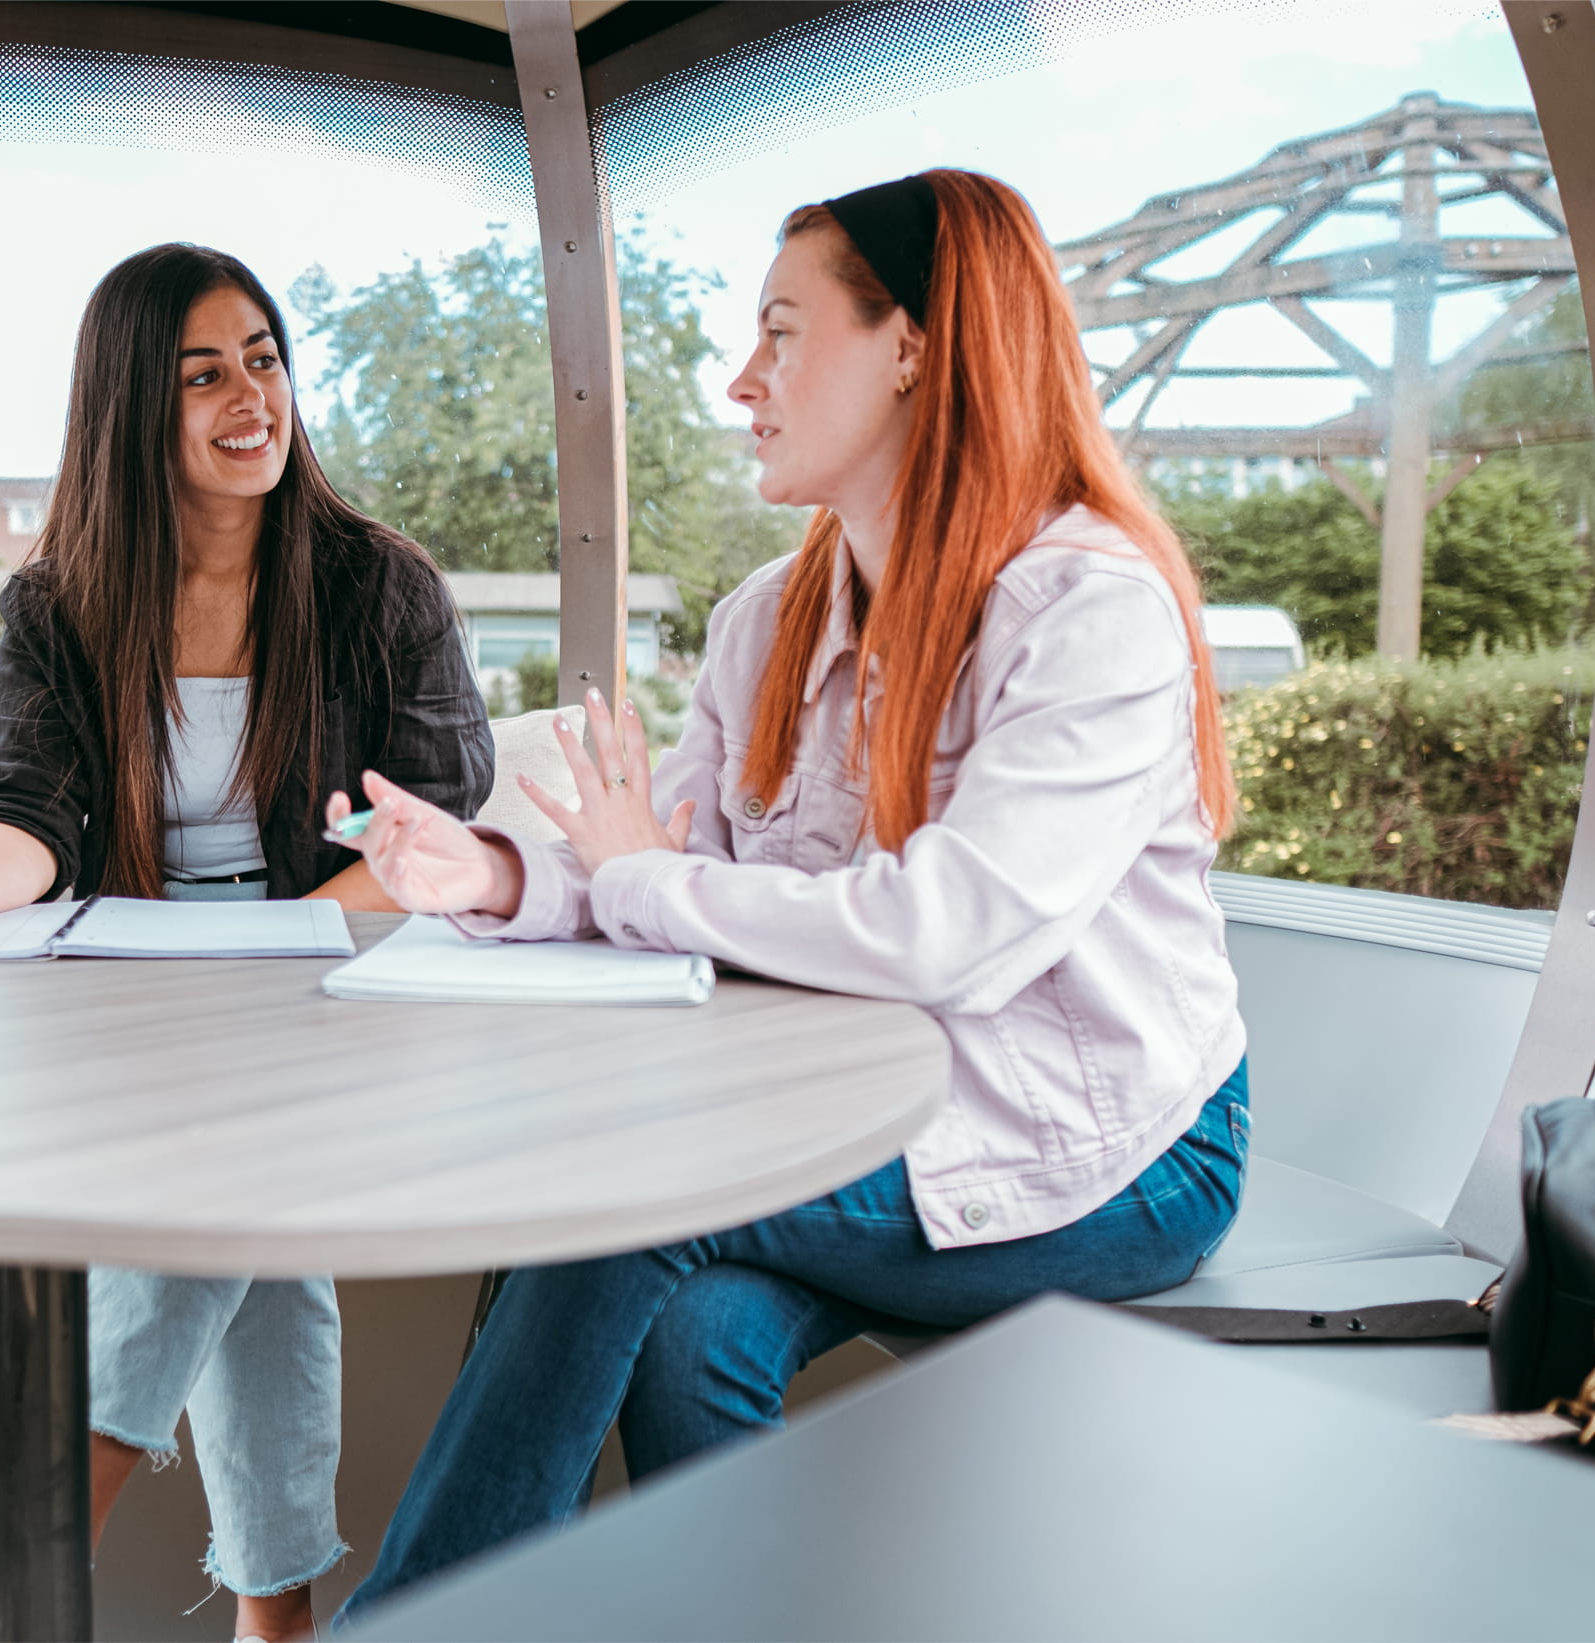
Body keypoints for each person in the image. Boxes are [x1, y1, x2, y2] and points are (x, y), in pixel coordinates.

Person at [323, 170, 1252, 1621]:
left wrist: (646, 883)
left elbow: (941, 933)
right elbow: (662, 857)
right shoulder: (770, 615)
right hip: (848, 1114)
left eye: (779, 332)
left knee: (632, 1197)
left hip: (1109, 1152)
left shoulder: (1091, 610)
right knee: (696, 1335)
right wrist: (499, 871)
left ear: (914, 347)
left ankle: (415, 1622)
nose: (741, 378)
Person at [0, 243, 493, 1641]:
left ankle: (23, 1589)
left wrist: (269, 954)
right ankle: (277, 1625)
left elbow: (434, 832)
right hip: (135, 987)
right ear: (133, 404)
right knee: (245, 1223)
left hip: (339, 963)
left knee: (220, 1182)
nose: (251, 395)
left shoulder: (379, 584)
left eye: (263, 357)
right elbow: (26, 812)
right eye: (203, 374)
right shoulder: (63, 601)